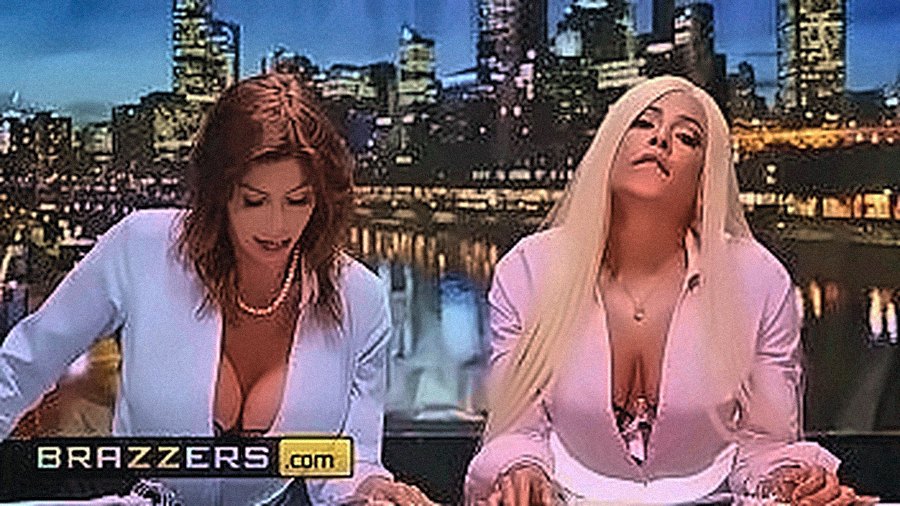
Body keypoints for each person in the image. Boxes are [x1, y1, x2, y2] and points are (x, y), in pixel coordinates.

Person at [0, 73, 432, 505]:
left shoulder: (360, 298)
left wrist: (370, 491)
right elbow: (23, 365)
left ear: (321, 199)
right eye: (254, 201)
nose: (277, 225)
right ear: (220, 192)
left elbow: (348, 461)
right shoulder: (140, 247)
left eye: (297, 200)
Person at [465, 76, 876, 505]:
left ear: (705, 176)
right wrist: (522, 471)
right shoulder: (528, 271)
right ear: (609, 147)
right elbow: (518, 429)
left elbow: (764, 443)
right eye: (643, 124)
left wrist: (788, 482)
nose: (660, 139)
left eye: (687, 138)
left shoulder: (759, 280)